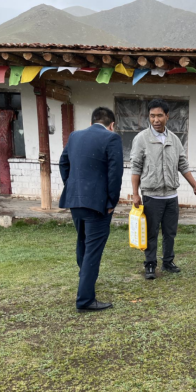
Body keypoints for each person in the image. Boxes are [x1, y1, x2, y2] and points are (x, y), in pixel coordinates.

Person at [130, 98, 196, 280]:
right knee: (151, 233)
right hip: (151, 196)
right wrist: (135, 193)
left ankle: (168, 262)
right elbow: (136, 167)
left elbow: (183, 164)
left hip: (171, 196)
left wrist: (195, 186)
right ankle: (150, 264)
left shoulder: (174, 140)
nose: (156, 120)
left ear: (167, 116)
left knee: (170, 232)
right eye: (152, 116)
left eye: (159, 116)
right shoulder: (141, 139)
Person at [59, 107, 124, 312]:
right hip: (98, 204)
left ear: (91, 122)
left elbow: (63, 163)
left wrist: (73, 187)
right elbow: (115, 173)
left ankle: (84, 280)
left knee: (82, 242)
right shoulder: (112, 138)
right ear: (112, 125)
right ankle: (85, 299)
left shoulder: (74, 136)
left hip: (75, 200)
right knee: (93, 250)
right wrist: (111, 202)